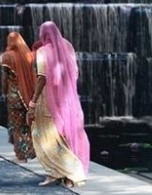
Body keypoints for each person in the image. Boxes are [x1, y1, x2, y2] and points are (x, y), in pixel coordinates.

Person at [28, 21, 89, 187]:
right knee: (66, 133)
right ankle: (66, 176)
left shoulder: (42, 51)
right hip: (68, 97)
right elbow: (75, 71)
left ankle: (67, 171)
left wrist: (33, 102)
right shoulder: (67, 46)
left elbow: (42, 78)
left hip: (47, 99)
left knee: (43, 135)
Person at [0, 31, 37, 162]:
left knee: (17, 125)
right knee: (27, 124)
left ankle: (21, 155)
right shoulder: (28, 56)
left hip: (14, 96)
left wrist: (3, 92)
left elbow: (4, 79)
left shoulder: (6, 57)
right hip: (28, 94)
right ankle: (31, 151)